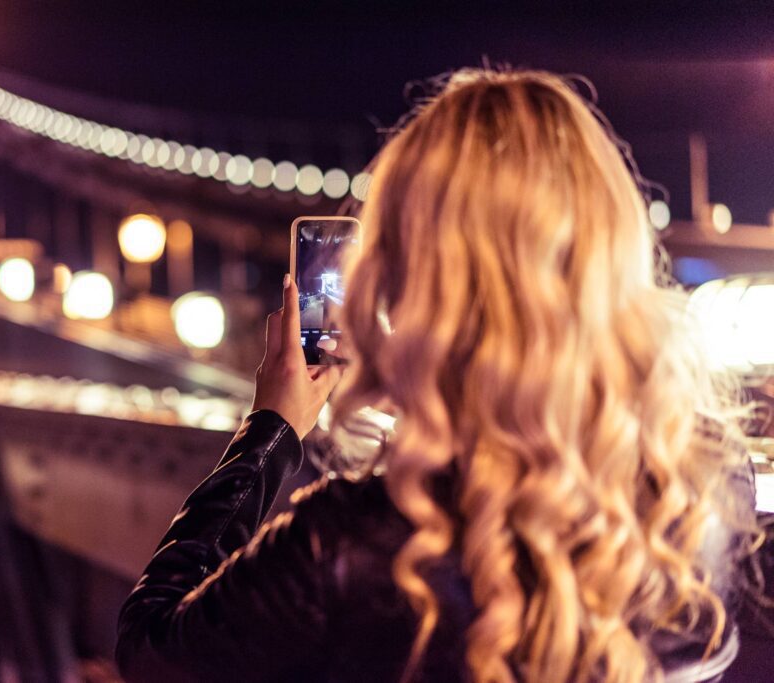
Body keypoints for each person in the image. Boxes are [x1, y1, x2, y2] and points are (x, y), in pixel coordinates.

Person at [115, 68, 761, 682]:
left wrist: (271, 428)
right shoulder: (705, 479)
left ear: (412, 276)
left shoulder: (346, 542)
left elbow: (149, 650)